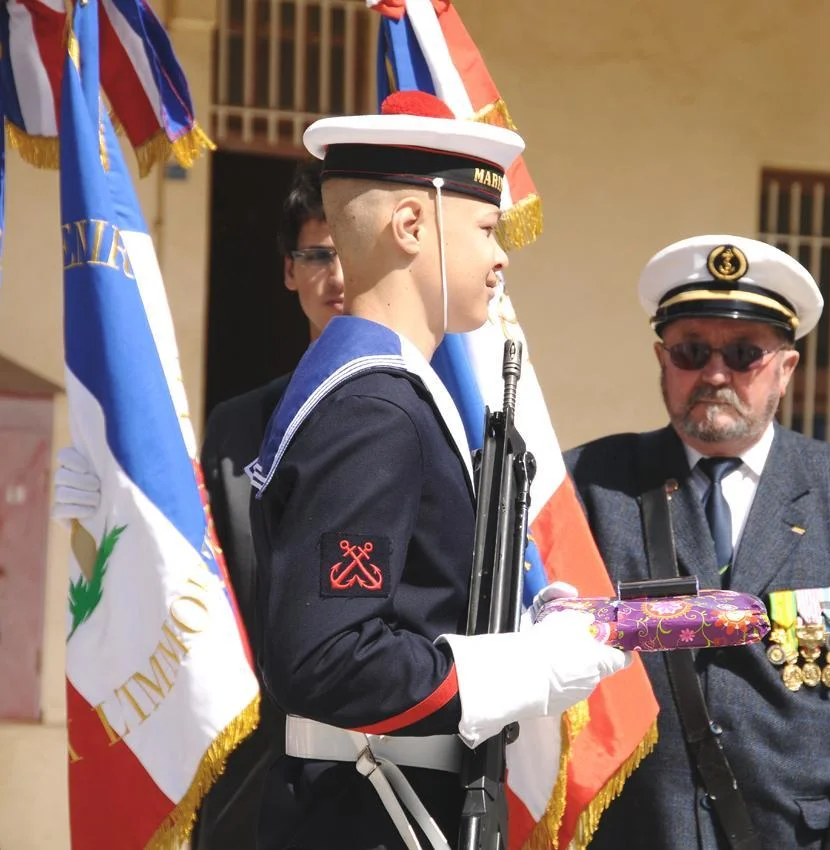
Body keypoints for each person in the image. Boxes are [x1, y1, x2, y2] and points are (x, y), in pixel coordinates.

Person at [243, 91, 628, 850]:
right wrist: (527, 668)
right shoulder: (374, 410)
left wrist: (528, 623)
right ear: (412, 227)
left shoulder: (384, 394)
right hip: (369, 815)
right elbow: (329, 657)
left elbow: (418, 606)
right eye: (486, 229)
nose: (500, 256)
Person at [565, 234, 830, 849]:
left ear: (786, 368)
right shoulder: (590, 486)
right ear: (661, 359)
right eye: (691, 351)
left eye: (743, 354)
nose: (714, 373)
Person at [51, 162, 345, 849]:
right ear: (288, 271)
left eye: (351, 254)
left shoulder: (430, 416)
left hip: (377, 785)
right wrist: (111, 513)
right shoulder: (238, 428)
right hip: (251, 784)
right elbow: (186, 574)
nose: (337, 276)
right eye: (318, 254)